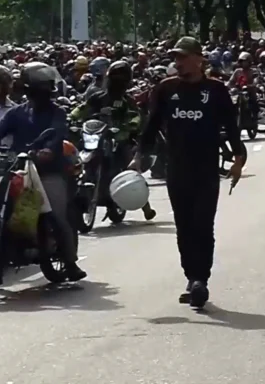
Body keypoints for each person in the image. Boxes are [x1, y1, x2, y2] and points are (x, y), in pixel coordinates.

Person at [129, 37, 246, 309]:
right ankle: (191, 277)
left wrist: (238, 159)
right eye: (175, 58)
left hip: (206, 169)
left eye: (183, 57)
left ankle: (200, 279)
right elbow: (151, 124)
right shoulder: (166, 90)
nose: (178, 63)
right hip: (177, 169)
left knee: (203, 225)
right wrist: (138, 156)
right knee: (184, 228)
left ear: (199, 59)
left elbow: (231, 126)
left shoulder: (216, 90)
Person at [0, 62, 86, 281]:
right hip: (17, 169)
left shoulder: (57, 113)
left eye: (46, 89)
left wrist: (47, 151)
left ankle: (70, 261)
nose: (42, 94)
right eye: (39, 89)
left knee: (56, 215)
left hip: (48, 171)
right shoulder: (17, 113)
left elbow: (57, 135)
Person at [69, 60, 156, 221]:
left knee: (129, 168)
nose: (117, 81)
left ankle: (146, 206)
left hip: (118, 140)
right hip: (96, 137)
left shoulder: (126, 100)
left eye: (121, 79)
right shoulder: (97, 97)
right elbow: (81, 109)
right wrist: (71, 118)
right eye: (114, 77)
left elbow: (135, 116)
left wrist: (130, 125)